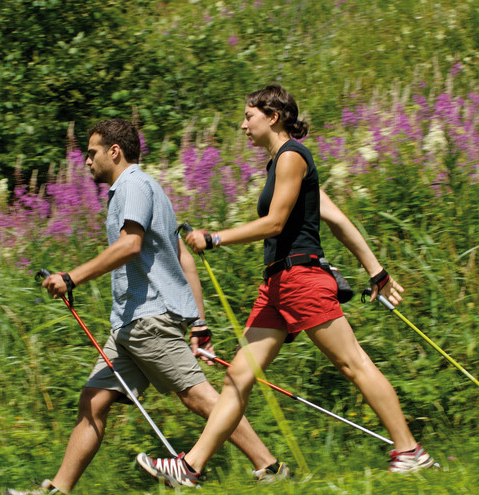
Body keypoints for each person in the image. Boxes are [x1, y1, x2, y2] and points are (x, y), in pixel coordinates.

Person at [136, 85, 438, 488]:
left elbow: (276, 222)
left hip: (302, 279)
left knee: (353, 363)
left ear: (273, 116)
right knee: (238, 376)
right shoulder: (281, 164)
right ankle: (190, 467)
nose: (243, 125)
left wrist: (216, 238)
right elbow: (336, 218)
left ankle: (410, 452)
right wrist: (376, 272)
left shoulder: (293, 156)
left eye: (249, 116)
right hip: (277, 286)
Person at [5, 119, 288, 495]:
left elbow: (130, 245)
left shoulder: (132, 185)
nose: (87, 161)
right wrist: (199, 323)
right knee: (93, 401)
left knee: (197, 395)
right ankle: (57, 490)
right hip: (129, 323)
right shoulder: (150, 189)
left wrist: (71, 278)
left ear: (114, 151)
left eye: (92, 153)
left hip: (148, 318)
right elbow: (183, 258)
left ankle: (269, 466)